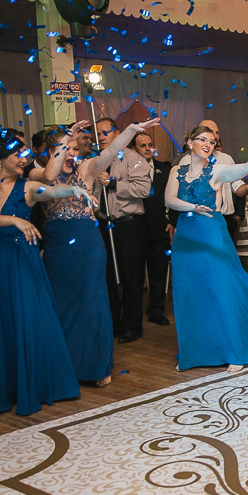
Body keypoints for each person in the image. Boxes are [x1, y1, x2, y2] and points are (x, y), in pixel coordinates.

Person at [0, 129, 91, 424]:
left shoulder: (28, 185)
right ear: (0, 156)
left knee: (30, 318)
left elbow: (51, 190)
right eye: (19, 155)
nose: (24, 159)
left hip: (22, 260)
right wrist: (14, 220)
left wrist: (73, 190)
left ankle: (36, 386)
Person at [165, 124, 248, 372]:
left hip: (211, 235)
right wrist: (190, 207)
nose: (207, 144)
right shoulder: (175, 171)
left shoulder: (217, 171)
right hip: (186, 240)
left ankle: (236, 350)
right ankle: (195, 352)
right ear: (190, 142)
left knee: (222, 289)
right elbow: (169, 200)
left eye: (211, 141)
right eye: (202, 139)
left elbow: (245, 168)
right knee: (191, 295)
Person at [42, 119, 158, 385]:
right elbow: (49, 177)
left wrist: (129, 131)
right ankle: (64, 366)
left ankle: (95, 366)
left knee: (92, 303)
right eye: (66, 148)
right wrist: (63, 142)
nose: (72, 153)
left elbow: (108, 153)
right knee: (62, 305)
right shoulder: (41, 173)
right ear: (52, 151)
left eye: (74, 147)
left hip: (88, 243)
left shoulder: (86, 168)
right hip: (59, 247)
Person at [101, 127, 154, 344]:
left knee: (131, 276)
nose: (101, 137)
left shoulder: (134, 158)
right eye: (98, 133)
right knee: (109, 277)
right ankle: (114, 323)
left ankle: (132, 325)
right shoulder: (99, 159)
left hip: (128, 224)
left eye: (105, 132)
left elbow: (144, 189)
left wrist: (114, 184)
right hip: (104, 223)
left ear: (117, 134)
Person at [134, 131, 172, 326]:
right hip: (136, 227)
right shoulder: (128, 169)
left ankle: (156, 310)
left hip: (159, 227)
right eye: (142, 145)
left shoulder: (164, 169)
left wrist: (171, 220)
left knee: (159, 270)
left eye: (150, 144)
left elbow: (173, 196)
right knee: (136, 271)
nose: (148, 149)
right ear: (134, 149)